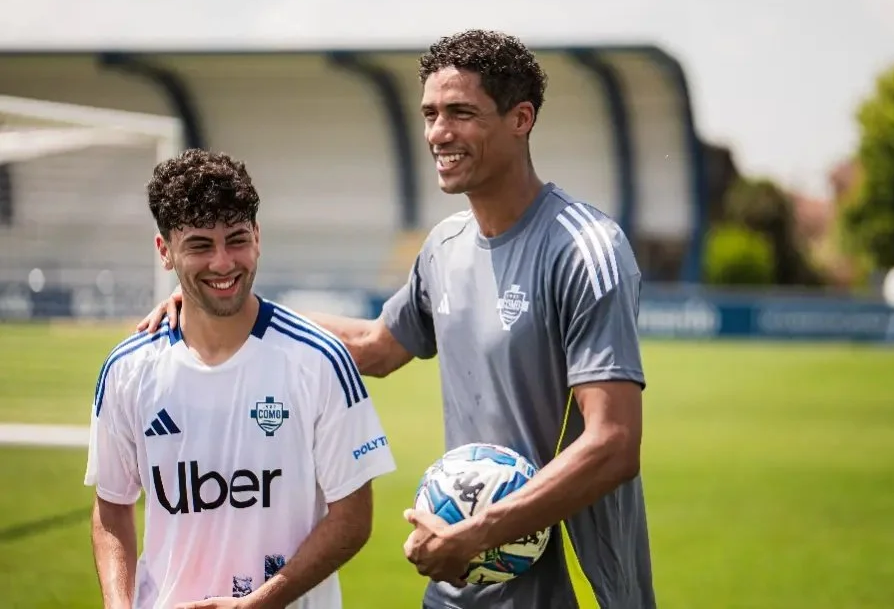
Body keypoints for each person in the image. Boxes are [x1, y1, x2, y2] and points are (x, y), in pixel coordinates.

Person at [139, 30, 655, 609]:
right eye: (431, 114)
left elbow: (614, 442)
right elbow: (376, 347)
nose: (438, 132)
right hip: (462, 587)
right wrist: (227, 308)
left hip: (572, 591)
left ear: (521, 118)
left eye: (461, 112)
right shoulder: (444, 247)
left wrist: (481, 533)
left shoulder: (586, 250)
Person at [87, 149, 396, 609]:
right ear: (164, 252)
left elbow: (353, 518)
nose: (223, 262)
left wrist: (262, 601)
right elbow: (112, 505)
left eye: (236, 239)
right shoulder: (128, 370)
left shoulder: (320, 360)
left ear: (258, 237)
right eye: (199, 245)